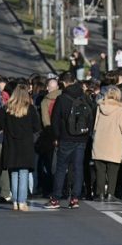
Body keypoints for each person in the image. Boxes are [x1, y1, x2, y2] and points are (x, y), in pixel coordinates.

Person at [45, 73, 92, 209]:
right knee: (78, 168)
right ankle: (75, 198)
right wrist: (86, 134)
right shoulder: (84, 96)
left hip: (66, 138)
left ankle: (56, 198)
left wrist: (57, 136)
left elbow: (55, 120)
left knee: (61, 168)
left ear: (64, 83)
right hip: (81, 138)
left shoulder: (62, 98)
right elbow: (91, 115)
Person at [0, 87, 41, 211]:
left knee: (13, 173)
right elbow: (37, 127)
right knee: (23, 173)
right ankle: (22, 201)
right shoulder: (30, 109)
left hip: (11, 145)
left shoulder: (7, 108)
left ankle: (15, 202)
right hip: (25, 145)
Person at [91, 86, 122, 201]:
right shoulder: (121, 110)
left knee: (100, 170)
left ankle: (100, 193)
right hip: (114, 144)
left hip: (99, 142)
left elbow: (95, 126)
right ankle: (110, 193)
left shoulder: (100, 107)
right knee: (113, 171)